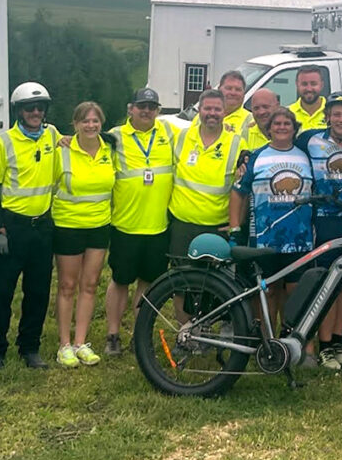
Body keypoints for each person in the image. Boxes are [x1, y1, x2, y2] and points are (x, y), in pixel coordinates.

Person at [0, 82, 57, 371]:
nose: (35, 112)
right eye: (30, 108)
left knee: (37, 292)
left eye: (40, 108)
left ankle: (30, 347)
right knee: (2, 291)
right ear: (19, 111)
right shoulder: (4, 142)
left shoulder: (52, 134)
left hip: (42, 227)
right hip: (13, 228)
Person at [102, 87, 178, 356]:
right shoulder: (114, 137)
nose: (146, 111)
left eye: (152, 107)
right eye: (141, 106)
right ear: (130, 108)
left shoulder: (169, 134)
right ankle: (112, 334)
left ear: (158, 111)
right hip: (125, 225)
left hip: (158, 226)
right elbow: (86, 146)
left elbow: (201, 131)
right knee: (120, 280)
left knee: (148, 284)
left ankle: (139, 334)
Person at [297, 92, 342, 370]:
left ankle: (338, 341)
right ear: (328, 116)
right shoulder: (310, 139)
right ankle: (325, 345)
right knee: (328, 283)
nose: (341, 119)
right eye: (336, 114)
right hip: (325, 220)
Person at [229, 107, 315, 330]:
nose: (282, 127)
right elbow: (238, 191)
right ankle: (267, 339)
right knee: (268, 289)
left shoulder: (305, 156)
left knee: (294, 289)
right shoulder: (256, 156)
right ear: (268, 129)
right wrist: (235, 227)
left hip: (299, 236)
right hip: (265, 238)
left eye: (287, 123)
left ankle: (290, 338)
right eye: (277, 124)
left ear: (294, 128)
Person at [52, 101, 116, 368]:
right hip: (68, 225)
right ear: (75, 124)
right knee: (67, 285)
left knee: (90, 285)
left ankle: (81, 343)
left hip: (99, 226)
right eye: (85, 121)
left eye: (95, 121)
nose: (91, 126)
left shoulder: (110, 149)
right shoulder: (62, 150)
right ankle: (64, 345)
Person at [168, 89, 245, 257]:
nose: (212, 113)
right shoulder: (181, 136)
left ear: (225, 112)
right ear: (199, 110)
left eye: (217, 109)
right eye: (207, 109)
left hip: (217, 228)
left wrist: (236, 224)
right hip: (181, 226)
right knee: (180, 278)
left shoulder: (237, 143)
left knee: (211, 282)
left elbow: (243, 190)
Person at [193, 70, 253, 135]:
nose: (233, 93)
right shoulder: (200, 117)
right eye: (229, 88)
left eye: (238, 89)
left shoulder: (251, 121)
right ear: (219, 89)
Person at [288, 65, 327, 131]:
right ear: (297, 85)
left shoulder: (332, 111)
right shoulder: (288, 113)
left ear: (322, 85)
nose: (309, 89)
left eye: (313, 84)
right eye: (304, 84)